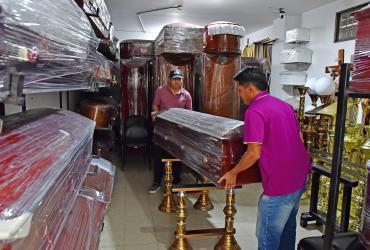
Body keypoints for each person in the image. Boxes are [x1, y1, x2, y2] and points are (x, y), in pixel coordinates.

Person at [218, 67, 311, 250]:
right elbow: (299, 139)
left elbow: (254, 153)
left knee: (268, 238)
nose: (239, 94)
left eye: (240, 89)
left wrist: (233, 172)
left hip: (280, 185)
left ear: (251, 88)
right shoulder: (284, 105)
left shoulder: (254, 111)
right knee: (287, 230)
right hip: (300, 178)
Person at [148, 69, 192, 194]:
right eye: (174, 79)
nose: (177, 82)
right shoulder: (160, 90)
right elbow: (155, 105)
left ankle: (177, 182)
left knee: (177, 156)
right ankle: (157, 181)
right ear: (169, 79)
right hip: (162, 129)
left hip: (178, 132)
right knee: (158, 156)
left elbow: (190, 113)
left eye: (179, 79)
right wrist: (155, 113)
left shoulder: (186, 95)